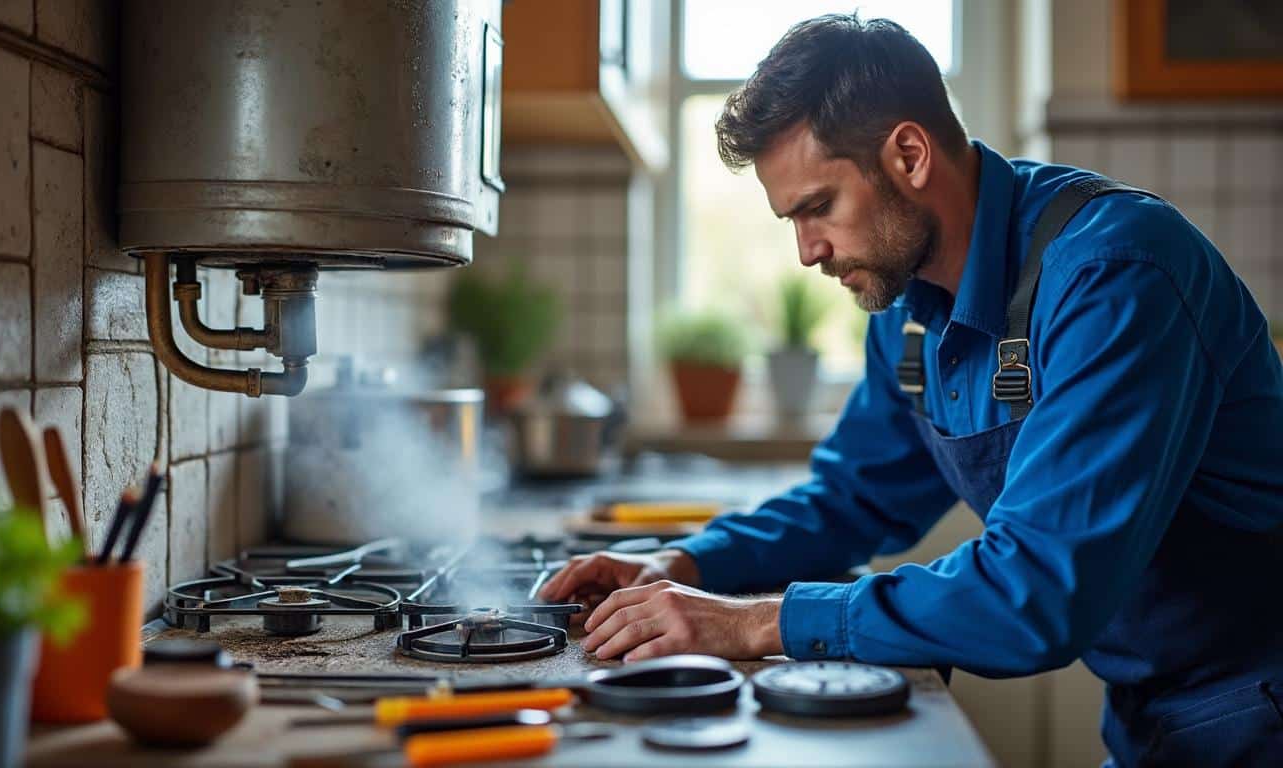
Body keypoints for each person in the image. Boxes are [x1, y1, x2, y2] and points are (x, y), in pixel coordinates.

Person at [539, 14, 1283, 767]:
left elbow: (1039, 593)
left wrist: (753, 623)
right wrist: (685, 565)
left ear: (909, 154)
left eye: (818, 207)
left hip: (1260, 711)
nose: (806, 252)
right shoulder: (908, 309)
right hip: (1153, 719)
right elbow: (855, 499)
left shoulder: (1116, 276)